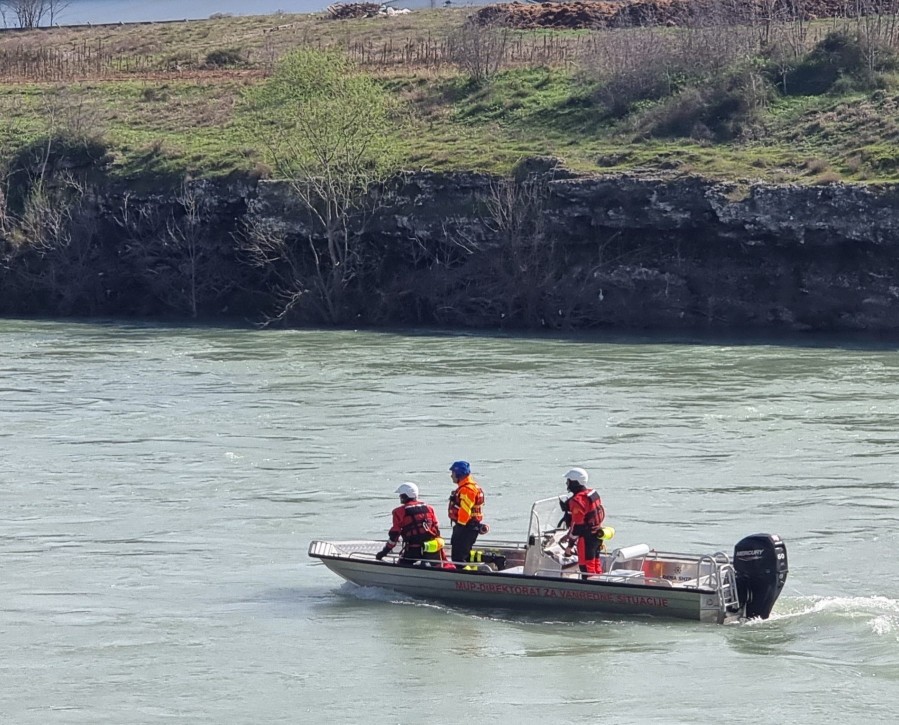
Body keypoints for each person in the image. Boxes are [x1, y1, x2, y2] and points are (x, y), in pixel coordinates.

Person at [375, 482, 446, 566]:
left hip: (413, 550)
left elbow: (394, 536)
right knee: (437, 566)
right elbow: (436, 530)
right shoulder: (429, 508)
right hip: (432, 549)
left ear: (405, 496)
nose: (399, 497)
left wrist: (384, 552)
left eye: (401, 495)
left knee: (400, 566)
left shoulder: (399, 512)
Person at [561, 467, 605, 577]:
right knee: (595, 563)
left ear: (575, 482)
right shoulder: (593, 494)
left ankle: (590, 590)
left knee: (586, 567)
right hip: (597, 536)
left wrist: (569, 546)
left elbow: (578, 526)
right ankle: (600, 585)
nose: (567, 484)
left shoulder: (577, 501)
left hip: (586, 539)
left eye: (569, 481)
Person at [447, 460, 486, 567]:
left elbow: (465, 511)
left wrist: (459, 527)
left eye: (453, 473)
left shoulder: (467, 489)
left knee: (458, 558)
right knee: (464, 553)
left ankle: (463, 577)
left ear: (459, 474)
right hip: (469, 526)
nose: (451, 476)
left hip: (466, 527)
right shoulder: (469, 487)